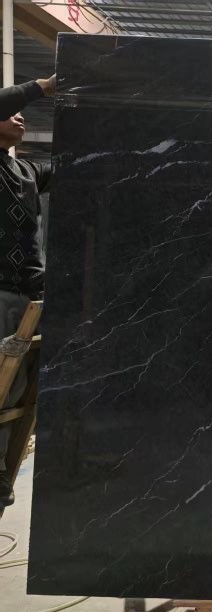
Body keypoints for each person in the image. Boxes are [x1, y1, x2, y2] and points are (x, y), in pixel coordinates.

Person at [0, 74, 56, 507]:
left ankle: (2, 473)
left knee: (16, 389)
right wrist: (42, 86)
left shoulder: (25, 171)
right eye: (12, 113)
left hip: (30, 298)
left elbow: (74, 165)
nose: (20, 118)